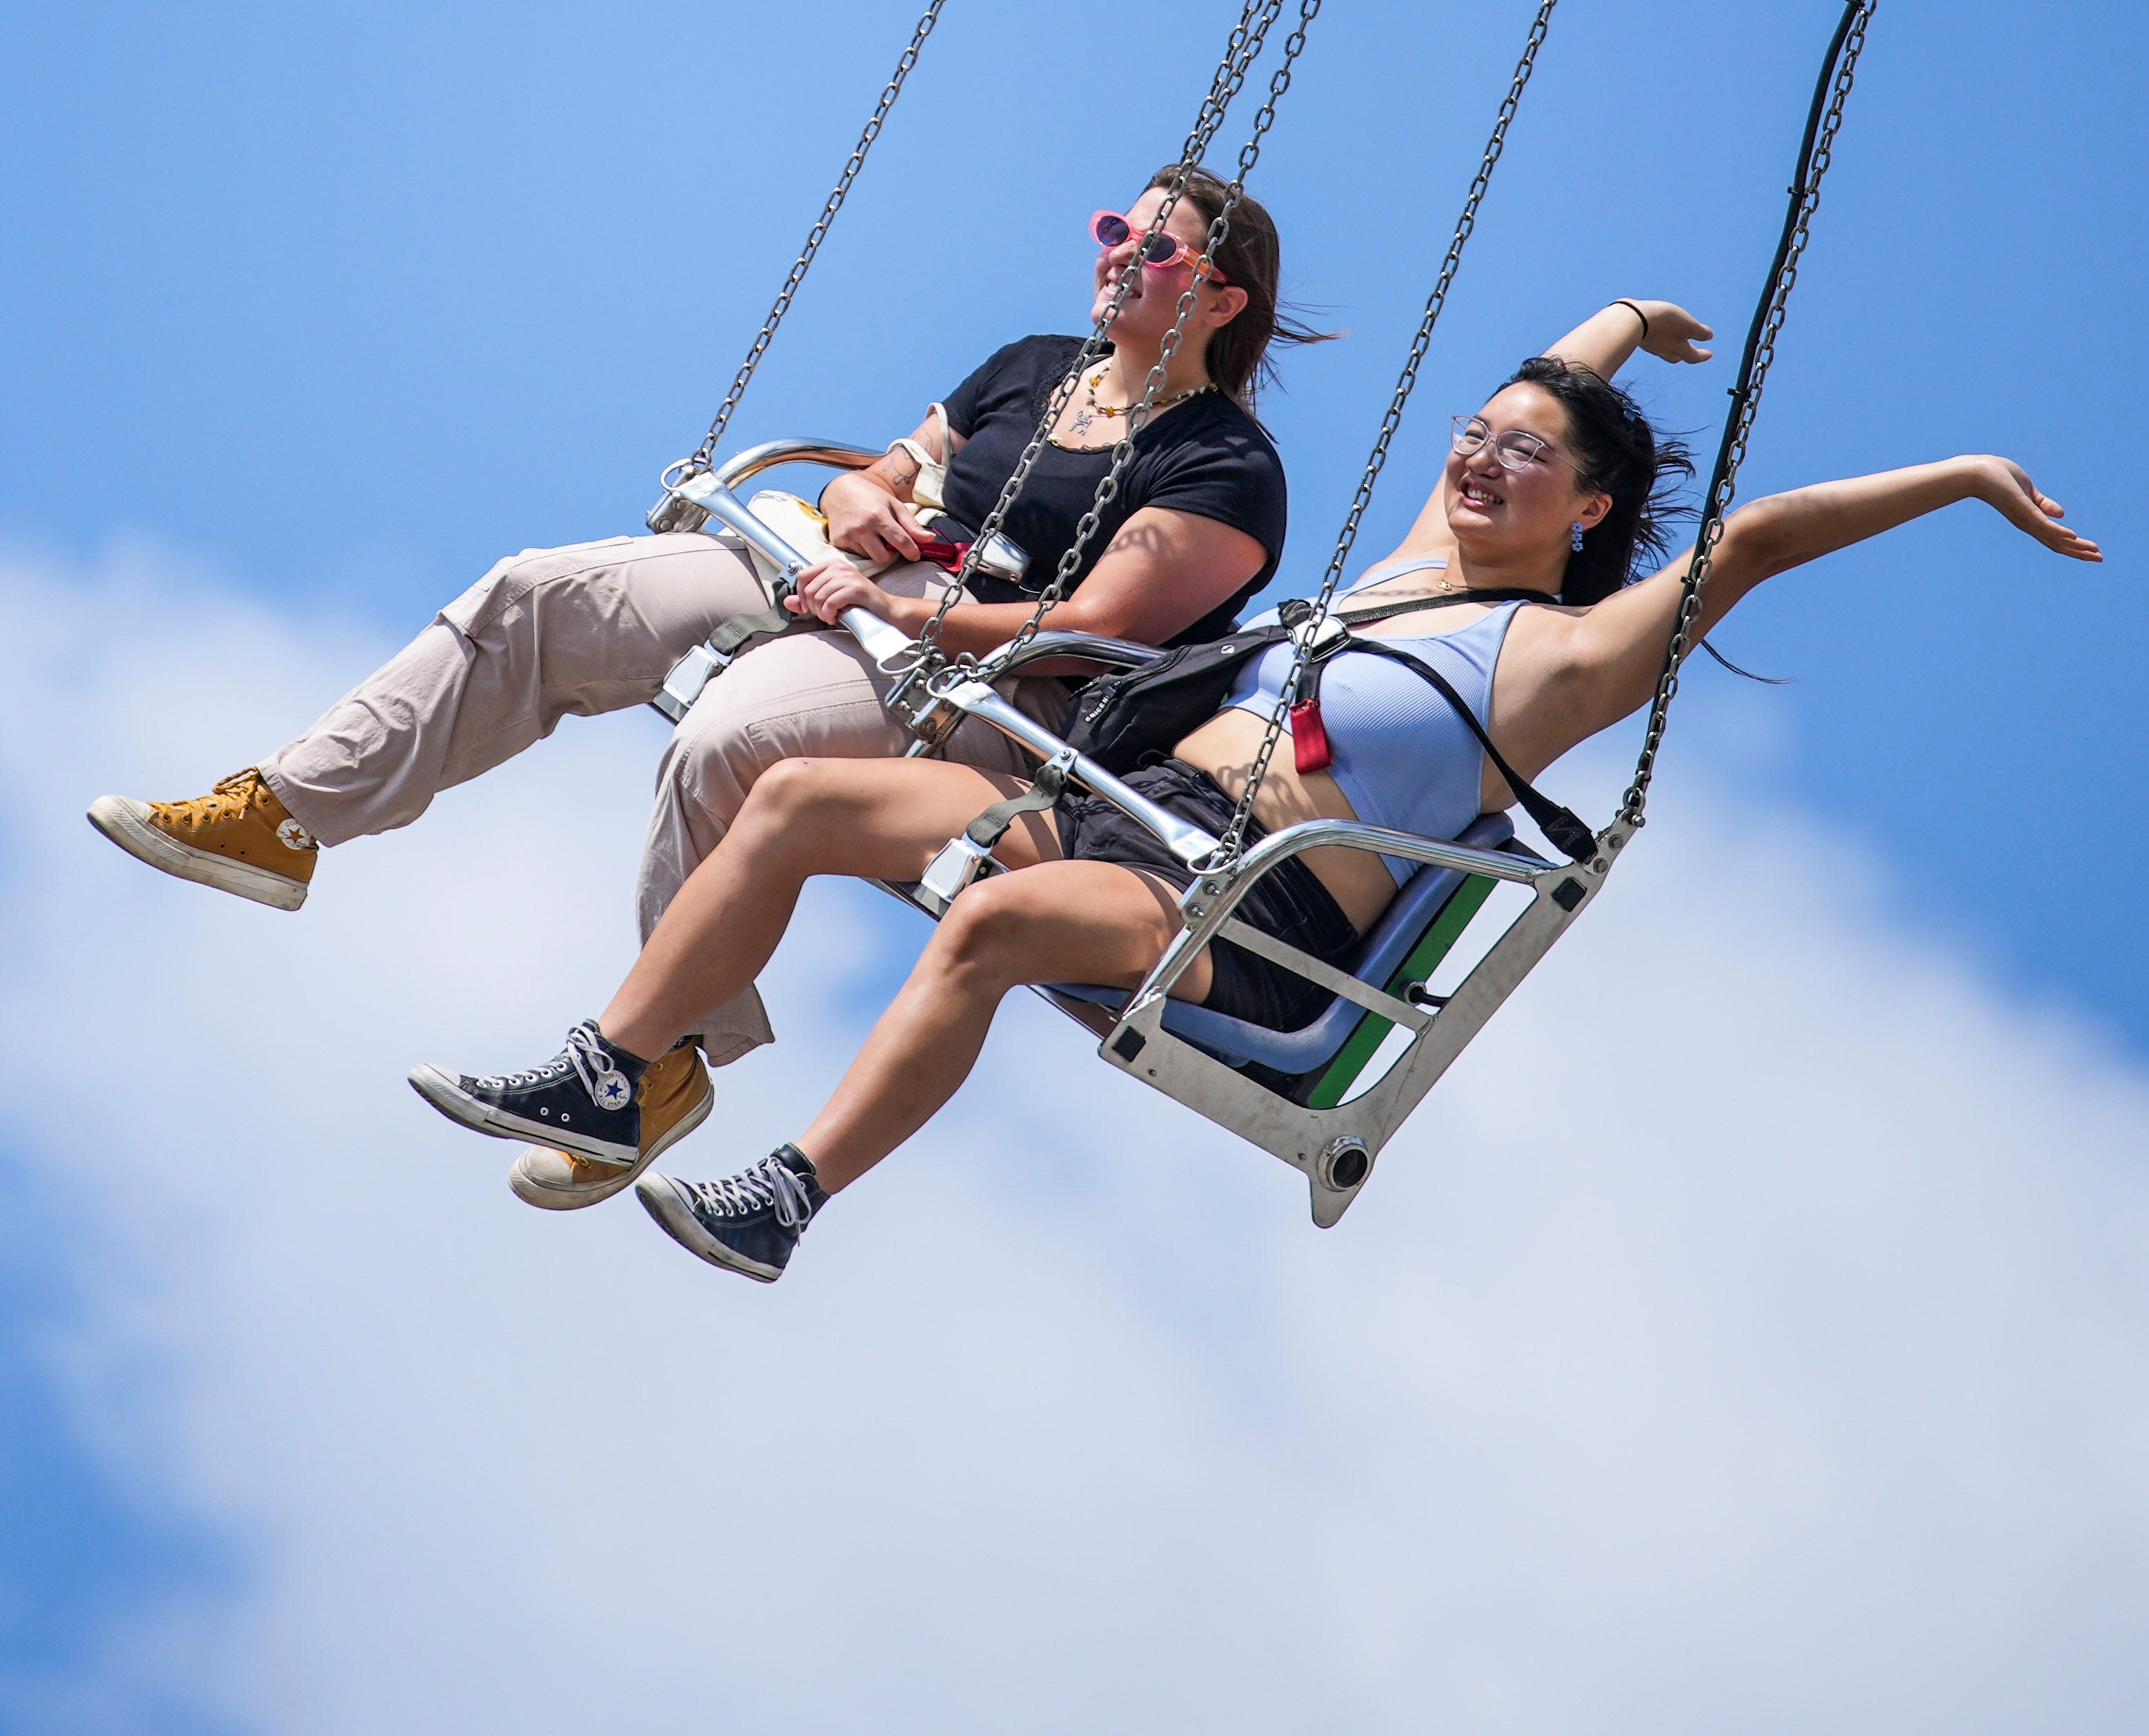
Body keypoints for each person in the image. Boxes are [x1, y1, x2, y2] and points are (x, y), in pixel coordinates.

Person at [417, 291, 2032, 1285]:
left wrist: (1955, 480)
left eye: (1521, 454)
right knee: (791, 801)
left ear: (1593, 506)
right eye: (1472, 436)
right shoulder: (1412, 568)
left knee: (984, 935)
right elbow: (1531, 382)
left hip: (1238, 908)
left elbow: (1747, 540)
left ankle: (787, 1196)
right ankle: (616, 1070)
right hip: (1110, 808)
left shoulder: (1565, 660)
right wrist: (1612, 318)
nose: (1477, 459)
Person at [89, 168, 1312, 1199]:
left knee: (733, 739)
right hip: (843, 585)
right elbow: (884, 469)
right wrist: (863, 505)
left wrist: (904, 607)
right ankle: (290, 814)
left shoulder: (1224, 463)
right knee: (536, 591)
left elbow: (1095, 628)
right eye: (1115, 230)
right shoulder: (1036, 364)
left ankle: (648, 1060)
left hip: (984, 686)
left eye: (1155, 247)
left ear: (1217, 297)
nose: (1119, 256)